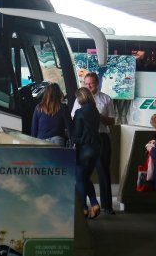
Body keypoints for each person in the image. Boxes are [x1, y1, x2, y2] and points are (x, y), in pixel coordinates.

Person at [71, 72, 116, 214]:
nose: (89, 86)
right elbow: (74, 116)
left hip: (101, 137)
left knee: (103, 172)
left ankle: (107, 206)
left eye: (91, 83)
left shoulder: (106, 99)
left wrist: (97, 117)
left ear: (97, 83)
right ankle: (85, 205)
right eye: (86, 83)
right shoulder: (79, 100)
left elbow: (113, 121)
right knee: (84, 175)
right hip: (86, 140)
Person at [71, 87, 101, 219]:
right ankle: (94, 204)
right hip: (95, 149)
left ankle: (83, 208)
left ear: (80, 98)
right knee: (85, 178)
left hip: (83, 150)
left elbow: (77, 135)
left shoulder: (79, 113)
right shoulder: (95, 111)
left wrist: (71, 136)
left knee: (79, 179)